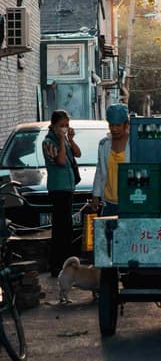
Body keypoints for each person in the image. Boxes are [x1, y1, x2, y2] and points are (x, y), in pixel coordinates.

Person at [42, 110, 81, 277]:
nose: (64, 128)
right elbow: (61, 161)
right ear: (53, 125)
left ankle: (66, 261)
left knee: (67, 228)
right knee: (60, 228)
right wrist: (60, 139)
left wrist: (70, 139)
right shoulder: (49, 142)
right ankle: (56, 264)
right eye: (61, 126)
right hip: (58, 189)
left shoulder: (65, 140)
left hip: (68, 188)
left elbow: (77, 154)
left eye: (66, 125)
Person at [92, 104, 130, 216]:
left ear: (126, 124)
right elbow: (100, 170)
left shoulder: (134, 145)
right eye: (111, 125)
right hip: (108, 203)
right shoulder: (104, 144)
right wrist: (95, 194)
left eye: (118, 125)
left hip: (128, 202)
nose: (114, 129)